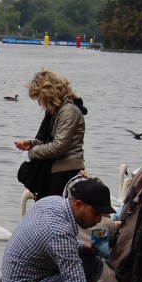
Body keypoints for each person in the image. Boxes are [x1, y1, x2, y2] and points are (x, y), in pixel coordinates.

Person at [1, 175, 141, 282]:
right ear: (79, 204)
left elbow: (50, 242)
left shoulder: (52, 201)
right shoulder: (59, 232)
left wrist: (82, 246)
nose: (99, 220)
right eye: (96, 213)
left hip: (20, 277)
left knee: (92, 262)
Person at [14, 70, 87, 198]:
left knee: (49, 208)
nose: (40, 103)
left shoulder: (69, 111)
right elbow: (53, 141)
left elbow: (59, 147)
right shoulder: (58, 111)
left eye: (39, 98)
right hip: (57, 170)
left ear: (48, 93)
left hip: (65, 172)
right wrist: (32, 144)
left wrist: (32, 152)